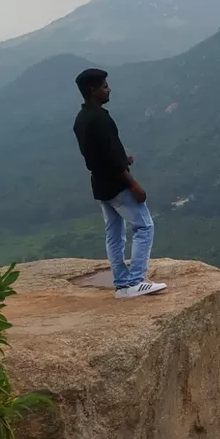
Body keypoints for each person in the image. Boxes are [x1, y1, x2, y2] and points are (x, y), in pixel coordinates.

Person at [72, 68, 166, 298]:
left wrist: (123, 159)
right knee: (144, 226)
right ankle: (136, 281)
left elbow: (98, 155)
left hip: (100, 184)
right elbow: (111, 158)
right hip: (117, 184)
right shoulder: (100, 119)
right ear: (93, 90)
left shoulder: (82, 119)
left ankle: (123, 284)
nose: (108, 89)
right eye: (104, 86)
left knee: (114, 233)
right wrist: (133, 184)